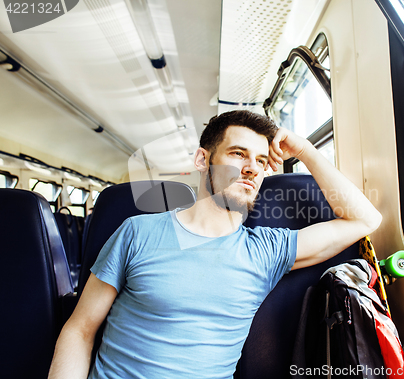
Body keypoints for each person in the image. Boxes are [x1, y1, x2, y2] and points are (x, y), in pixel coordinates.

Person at [48, 110, 382, 379]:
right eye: (238, 154)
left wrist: (305, 150)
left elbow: (364, 220)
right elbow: (80, 329)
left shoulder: (266, 250)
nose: (252, 168)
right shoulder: (137, 232)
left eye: (262, 162)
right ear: (202, 160)